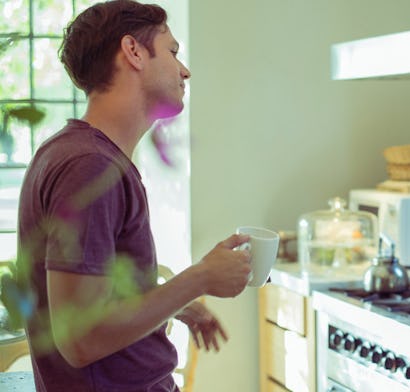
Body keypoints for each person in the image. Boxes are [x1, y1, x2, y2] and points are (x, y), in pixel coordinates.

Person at [15, 1, 253, 390]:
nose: (185, 70)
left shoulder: (76, 153)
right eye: (173, 52)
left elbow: (99, 296)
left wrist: (174, 305)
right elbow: (81, 339)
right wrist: (200, 278)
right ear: (133, 52)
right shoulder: (90, 167)